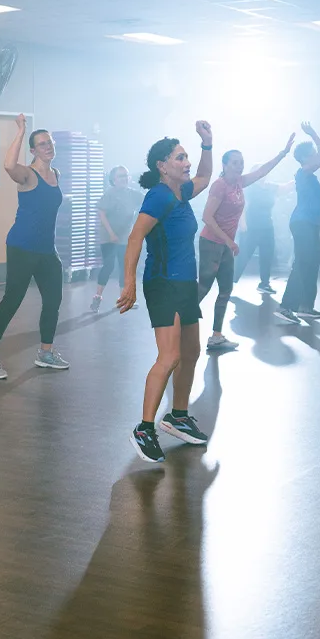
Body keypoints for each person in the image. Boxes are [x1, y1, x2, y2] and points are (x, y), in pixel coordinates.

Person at [118, 122, 215, 464]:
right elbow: (134, 238)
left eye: (186, 156)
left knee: (191, 352)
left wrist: (207, 145)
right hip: (164, 284)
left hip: (185, 283)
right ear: (162, 165)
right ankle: (145, 428)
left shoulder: (181, 191)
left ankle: (177, 416)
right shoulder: (158, 195)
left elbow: (205, 176)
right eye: (180, 157)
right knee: (169, 357)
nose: (186, 163)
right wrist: (128, 283)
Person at [0, 116, 67, 379]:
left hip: (46, 250)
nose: (48, 147)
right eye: (41, 144)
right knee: (12, 300)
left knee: (53, 300)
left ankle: (45, 353)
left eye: (49, 142)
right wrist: (21, 130)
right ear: (33, 150)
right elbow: (7, 165)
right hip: (22, 246)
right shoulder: (28, 174)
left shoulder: (56, 175)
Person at [198, 140, 294, 350]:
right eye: (234, 163)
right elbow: (207, 217)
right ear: (224, 165)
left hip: (225, 244)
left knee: (225, 290)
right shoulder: (220, 185)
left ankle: (216, 336)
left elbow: (261, 171)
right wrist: (229, 240)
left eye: (241, 162)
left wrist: (283, 153)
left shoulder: (239, 182)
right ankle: (175, 325)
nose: (239, 166)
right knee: (203, 289)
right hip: (211, 243)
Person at [276, 123, 320, 324]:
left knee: (312, 264)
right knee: (302, 262)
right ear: (306, 158)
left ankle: (305, 306)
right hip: (302, 222)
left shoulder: (309, 175)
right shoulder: (303, 172)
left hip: (311, 224)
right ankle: (286, 306)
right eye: (312, 152)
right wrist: (314, 134)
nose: (316, 153)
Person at [91, 165, 140, 313]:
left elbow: (147, 202)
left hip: (125, 236)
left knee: (124, 267)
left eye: (125, 175)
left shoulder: (133, 194)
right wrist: (111, 233)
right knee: (109, 266)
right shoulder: (109, 194)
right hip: (109, 237)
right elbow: (101, 213)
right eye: (120, 176)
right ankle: (97, 297)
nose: (124, 179)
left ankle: (123, 299)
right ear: (113, 180)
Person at [235, 171, 278, 292]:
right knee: (243, 255)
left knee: (267, 256)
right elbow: (242, 205)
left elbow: (284, 188)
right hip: (251, 227)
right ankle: (230, 280)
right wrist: (242, 222)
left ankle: (264, 283)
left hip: (267, 227)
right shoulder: (250, 187)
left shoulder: (270, 187)